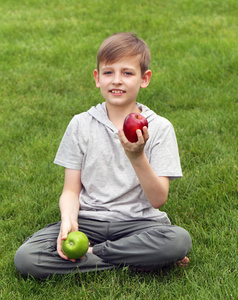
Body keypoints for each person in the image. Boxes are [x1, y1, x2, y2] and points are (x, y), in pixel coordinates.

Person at [14, 32, 192, 278]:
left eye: (127, 73)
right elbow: (70, 190)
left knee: (177, 240)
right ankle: (139, 260)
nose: (117, 80)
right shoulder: (80, 124)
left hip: (139, 223)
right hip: (89, 222)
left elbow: (158, 200)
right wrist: (69, 222)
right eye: (109, 72)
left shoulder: (160, 128)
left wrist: (137, 156)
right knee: (27, 258)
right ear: (97, 78)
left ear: (144, 79)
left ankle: (92, 255)